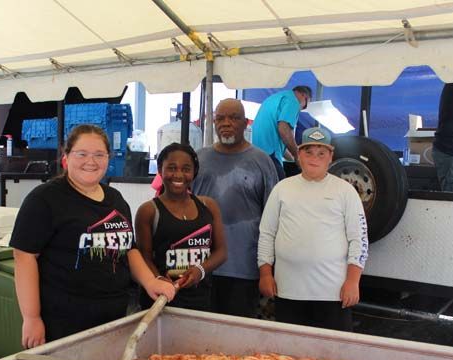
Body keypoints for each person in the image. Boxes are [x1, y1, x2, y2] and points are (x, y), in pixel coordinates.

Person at [9, 124, 176, 360]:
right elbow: (24, 257)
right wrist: (31, 316)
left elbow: (129, 249)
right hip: (63, 316)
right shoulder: (46, 199)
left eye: (99, 155)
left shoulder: (115, 197)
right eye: (82, 154)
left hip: (112, 314)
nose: (90, 161)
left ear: (108, 159)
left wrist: (151, 281)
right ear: (65, 157)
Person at [258, 126, 369, 331]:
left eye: (321, 153)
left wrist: (353, 281)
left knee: (335, 358)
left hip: (333, 294)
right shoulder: (282, 189)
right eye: (308, 152)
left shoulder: (345, 191)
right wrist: (265, 274)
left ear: (330, 156)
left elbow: (359, 239)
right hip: (288, 291)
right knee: (288, 357)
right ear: (298, 154)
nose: (314, 158)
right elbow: (266, 234)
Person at [192, 98, 279, 318]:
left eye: (234, 117)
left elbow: (273, 219)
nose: (226, 123)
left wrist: (267, 268)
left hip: (244, 268)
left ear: (246, 123)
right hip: (200, 266)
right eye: (220, 118)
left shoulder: (262, 162)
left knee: (236, 337)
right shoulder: (199, 159)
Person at [135, 143, 227, 311]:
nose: (178, 174)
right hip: (161, 303)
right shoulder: (148, 211)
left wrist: (200, 270)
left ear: (194, 172)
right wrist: (158, 280)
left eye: (186, 169)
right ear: (160, 170)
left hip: (201, 302)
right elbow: (143, 257)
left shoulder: (209, 206)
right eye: (171, 168)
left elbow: (221, 252)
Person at [251, 85, 312, 181]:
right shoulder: (293, 101)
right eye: (305, 106)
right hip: (269, 155)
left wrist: (294, 158)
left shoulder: (276, 98)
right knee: (280, 191)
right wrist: (297, 154)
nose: (301, 109)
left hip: (256, 153)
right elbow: (283, 129)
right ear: (304, 96)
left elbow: (281, 144)